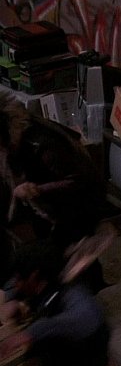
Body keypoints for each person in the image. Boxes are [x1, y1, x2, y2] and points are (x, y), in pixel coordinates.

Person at [0, 239, 117, 366]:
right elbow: (12, 286)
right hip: (63, 365)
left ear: (34, 277)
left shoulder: (72, 295)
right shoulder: (40, 283)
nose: (16, 284)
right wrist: (11, 300)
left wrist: (31, 332)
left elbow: (85, 318)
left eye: (20, 279)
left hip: (90, 358)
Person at [0, 91, 106, 292]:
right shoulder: (14, 141)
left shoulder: (42, 144)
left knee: (70, 247)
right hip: (55, 203)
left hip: (82, 200)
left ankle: (91, 291)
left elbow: (80, 180)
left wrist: (35, 190)